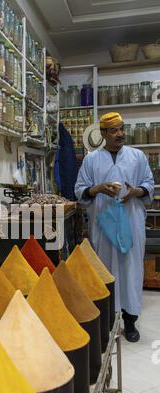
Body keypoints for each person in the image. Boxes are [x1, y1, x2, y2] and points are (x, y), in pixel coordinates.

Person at [75, 112, 154, 342]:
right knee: (106, 270)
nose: (120, 134)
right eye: (114, 130)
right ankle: (109, 320)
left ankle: (130, 321)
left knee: (131, 269)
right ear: (103, 134)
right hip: (104, 224)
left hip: (131, 221)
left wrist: (136, 192)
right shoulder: (91, 160)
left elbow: (149, 184)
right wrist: (98, 188)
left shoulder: (137, 157)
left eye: (121, 128)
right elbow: (80, 190)